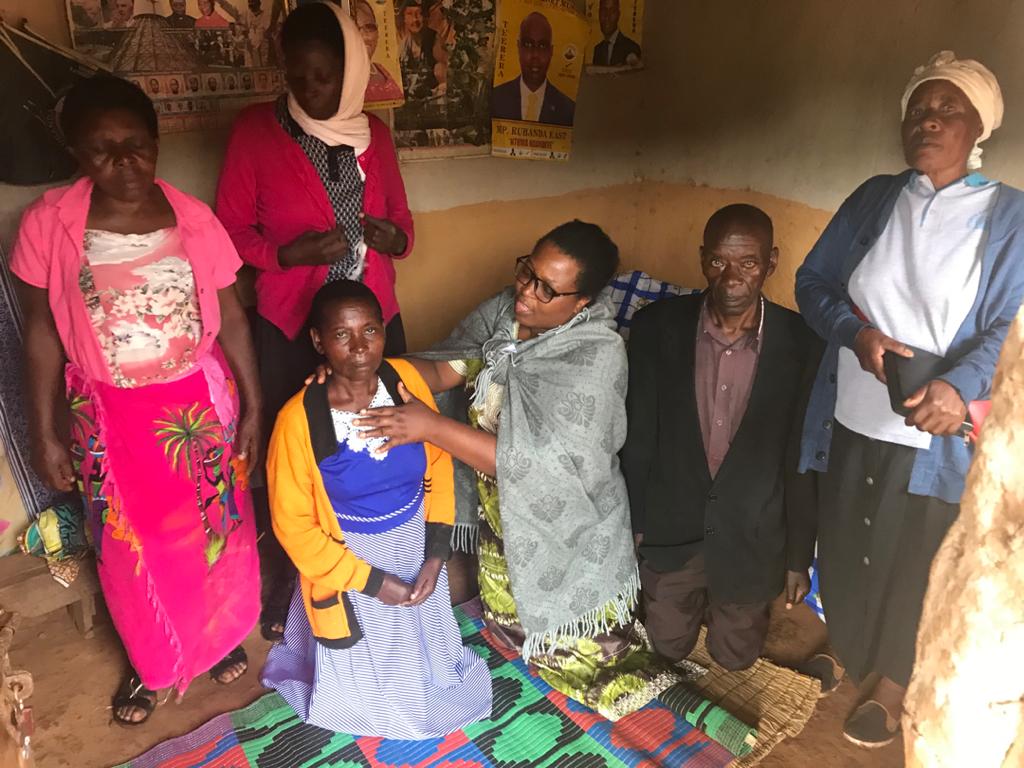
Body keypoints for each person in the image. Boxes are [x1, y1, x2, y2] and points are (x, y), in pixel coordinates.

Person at [9, 76, 260, 725]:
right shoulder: (49, 224)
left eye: (137, 146)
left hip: (198, 411)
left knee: (214, 530)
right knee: (129, 549)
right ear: (75, 151)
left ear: (156, 142)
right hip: (109, 418)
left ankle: (216, 642)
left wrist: (254, 407)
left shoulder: (193, 219)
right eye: (102, 150)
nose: (124, 163)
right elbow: (40, 332)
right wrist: (45, 432)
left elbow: (233, 317)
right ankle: (153, 664)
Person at [352, 221, 678, 720]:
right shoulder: (504, 314)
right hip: (500, 512)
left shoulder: (596, 355)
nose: (526, 291)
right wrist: (362, 373)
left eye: (547, 288)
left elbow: (537, 466)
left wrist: (431, 427)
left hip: (567, 524)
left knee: (586, 656)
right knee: (511, 626)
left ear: (582, 302)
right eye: (528, 271)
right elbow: (444, 369)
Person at [795, 51, 1024, 748]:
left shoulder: (1010, 216)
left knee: (916, 553)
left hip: (936, 429)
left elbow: (1011, 324)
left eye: (949, 109)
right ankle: (847, 646)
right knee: (844, 539)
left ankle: (894, 681)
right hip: (852, 413)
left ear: (980, 127)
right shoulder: (875, 197)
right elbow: (812, 282)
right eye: (919, 108)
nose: (929, 119)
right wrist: (856, 334)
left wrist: (959, 385)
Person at [216, 1, 414, 643]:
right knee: (293, 457)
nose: (310, 90)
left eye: (324, 77)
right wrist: (287, 255)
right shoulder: (256, 130)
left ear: (351, 71)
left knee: (379, 440)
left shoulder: (375, 135)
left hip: (369, 325)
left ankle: (384, 556)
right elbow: (228, 233)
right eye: (297, 77)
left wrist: (391, 238)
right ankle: (288, 580)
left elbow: (404, 229)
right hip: (291, 325)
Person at [262, 280, 492, 737]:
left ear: (385, 331)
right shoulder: (298, 421)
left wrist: (436, 553)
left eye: (370, 330)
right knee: (370, 648)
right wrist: (371, 581)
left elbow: (438, 465)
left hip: (415, 543)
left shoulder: (403, 384)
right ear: (318, 341)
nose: (359, 347)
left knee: (423, 628)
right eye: (341, 334)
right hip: (348, 559)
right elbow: (295, 527)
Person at [622, 204, 818, 672]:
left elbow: (801, 457)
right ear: (702, 259)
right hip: (671, 528)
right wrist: (634, 523)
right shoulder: (656, 327)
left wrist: (797, 556)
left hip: (754, 534)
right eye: (718, 262)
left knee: (736, 654)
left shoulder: (803, 343)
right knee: (667, 644)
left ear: (771, 262)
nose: (731, 279)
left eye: (748, 263)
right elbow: (639, 435)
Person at [491, 12, 575, 126]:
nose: (535, 55)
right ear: (519, 47)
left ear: (551, 51)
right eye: (528, 45)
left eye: (542, 46)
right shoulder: (496, 99)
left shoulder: (567, 108)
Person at [352, 0, 404, 104]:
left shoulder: (381, 70)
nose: (363, 35)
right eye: (354, 27)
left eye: (369, 27)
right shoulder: (341, 77)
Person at [397, 0, 438, 98]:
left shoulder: (435, 39)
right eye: (409, 14)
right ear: (404, 18)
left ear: (425, 17)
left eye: (419, 14)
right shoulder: (404, 46)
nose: (415, 19)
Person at [592, 0, 641, 67]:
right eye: (604, 10)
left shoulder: (631, 48)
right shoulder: (598, 50)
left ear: (618, 15)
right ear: (599, 14)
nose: (607, 16)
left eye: (612, 11)